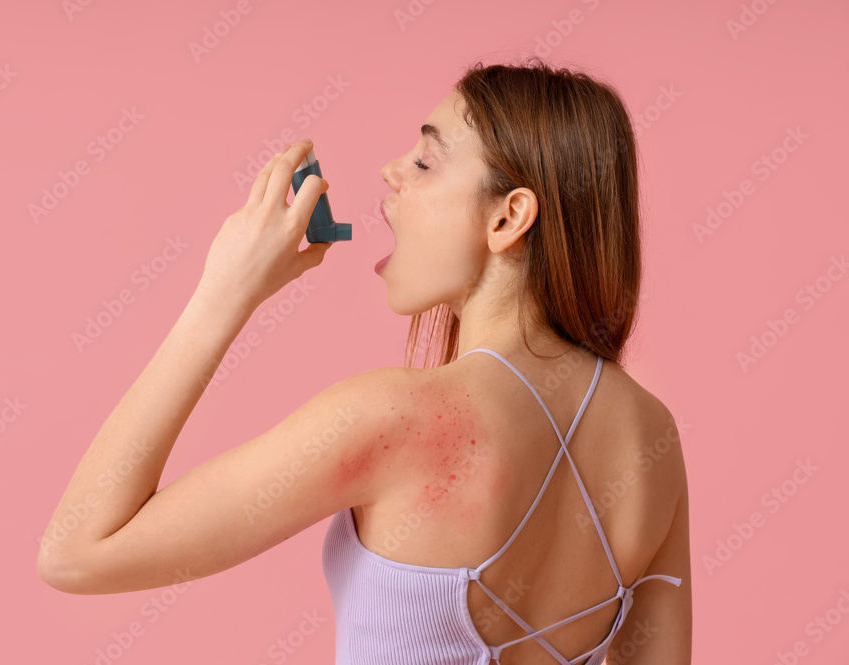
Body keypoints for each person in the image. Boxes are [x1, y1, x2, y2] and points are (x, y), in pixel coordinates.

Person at [36, 56, 692, 665]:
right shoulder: (651, 436)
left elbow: (77, 552)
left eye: (426, 162)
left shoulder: (396, 417)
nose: (391, 171)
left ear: (508, 218)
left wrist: (222, 294)